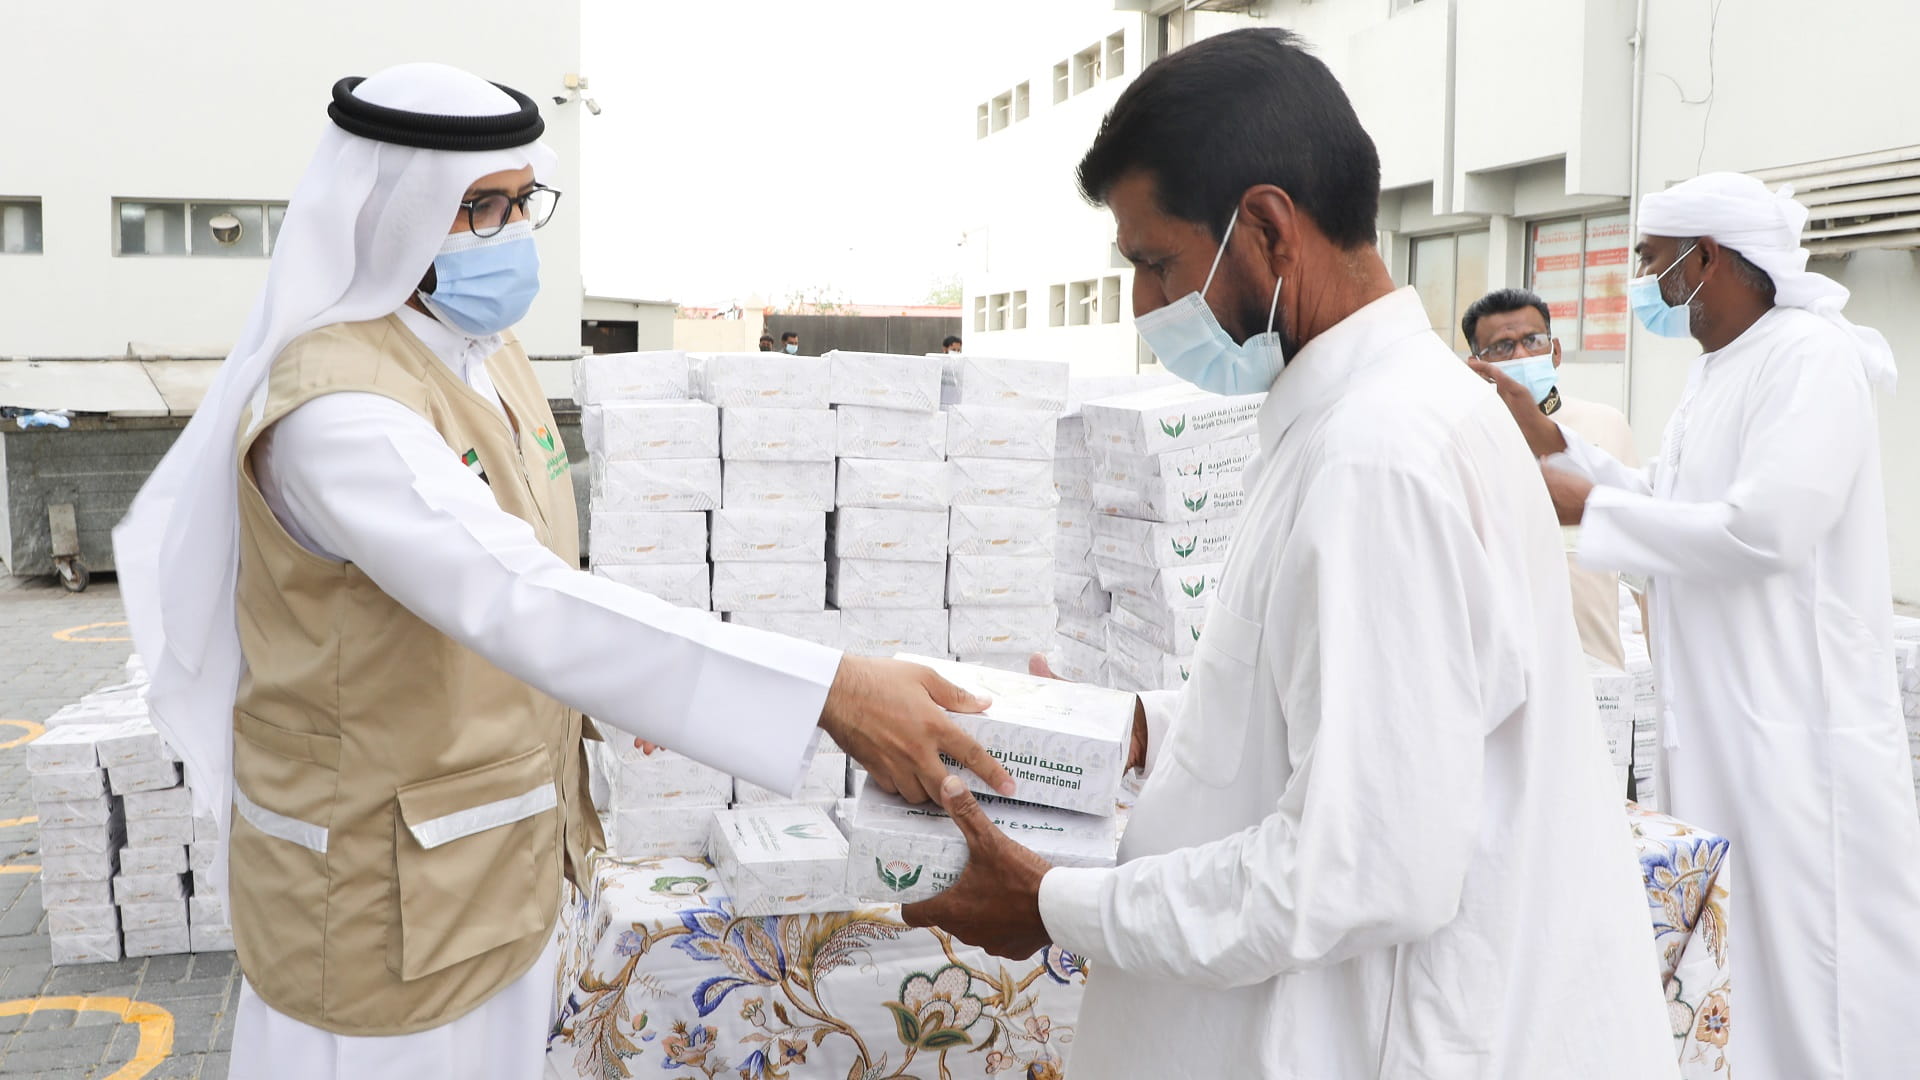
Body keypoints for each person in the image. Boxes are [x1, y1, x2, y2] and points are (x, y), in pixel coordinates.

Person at [111, 64, 1012, 1079]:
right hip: (369, 900)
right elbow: (516, 598)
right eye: (473, 209)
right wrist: (829, 689)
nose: (505, 236)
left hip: (490, 869)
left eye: (517, 204)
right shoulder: (337, 414)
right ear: (384, 215)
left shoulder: (483, 355)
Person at [902, 29, 1675, 1078]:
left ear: (1266, 227)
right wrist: (1130, 730)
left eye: (1155, 264)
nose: (1141, 311)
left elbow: (1361, 864)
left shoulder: (1377, 458)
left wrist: (1053, 901)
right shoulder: (1366, 414)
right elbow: (1340, 710)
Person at [1479, 170, 1920, 1080]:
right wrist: (1554, 449)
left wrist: (1587, 502)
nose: (1643, 285)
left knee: (1820, 985)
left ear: (1706, 259)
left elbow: (1767, 529)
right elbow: (1668, 507)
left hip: (1799, 742)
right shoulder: (1722, 369)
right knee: (1738, 972)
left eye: (1650, 263)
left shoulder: (1809, 358)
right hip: (1725, 733)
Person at [1462, 288, 1641, 667]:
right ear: (1477, 365)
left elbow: (1640, 556)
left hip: (1598, 666)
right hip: (1506, 669)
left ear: (1555, 351)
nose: (1522, 356)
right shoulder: (1466, 441)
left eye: (1532, 341)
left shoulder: (1605, 426)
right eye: (1502, 348)